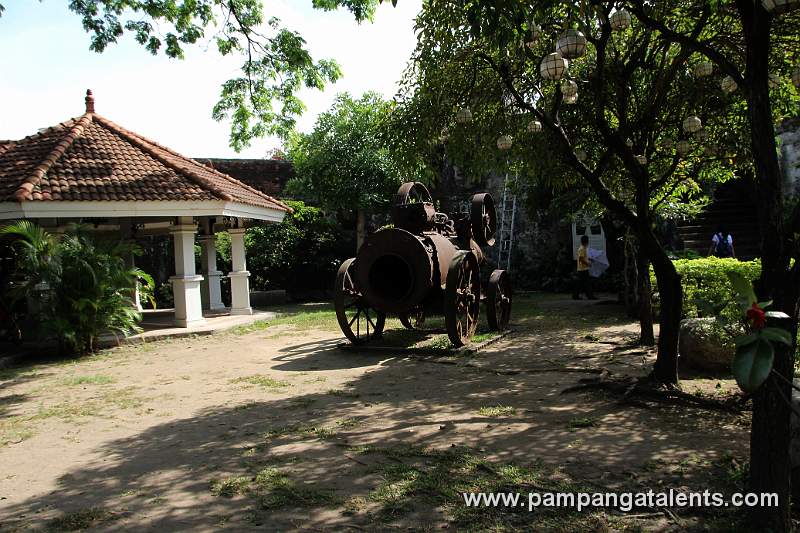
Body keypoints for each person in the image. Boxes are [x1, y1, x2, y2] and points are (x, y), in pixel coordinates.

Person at [573, 235, 597, 300]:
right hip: (583, 269)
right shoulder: (582, 249)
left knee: (582, 283)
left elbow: (583, 258)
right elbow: (581, 259)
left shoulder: (583, 248)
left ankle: (576, 295)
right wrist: (588, 264)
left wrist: (589, 259)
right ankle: (589, 296)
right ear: (587, 241)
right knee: (587, 283)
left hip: (582, 269)